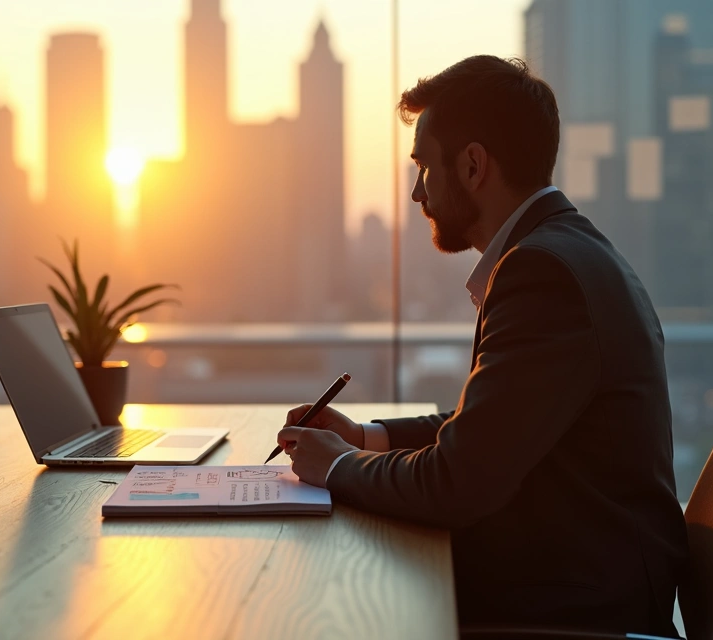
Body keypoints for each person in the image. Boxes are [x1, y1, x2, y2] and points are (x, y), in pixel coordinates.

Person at [277, 55, 688, 635]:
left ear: (473, 165)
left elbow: (456, 482)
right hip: (572, 577)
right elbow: (491, 427)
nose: (417, 193)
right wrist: (367, 437)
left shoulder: (542, 274)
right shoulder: (566, 250)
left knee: (327, 608)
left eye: (423, 167)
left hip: (572, 611)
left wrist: (340, 466)